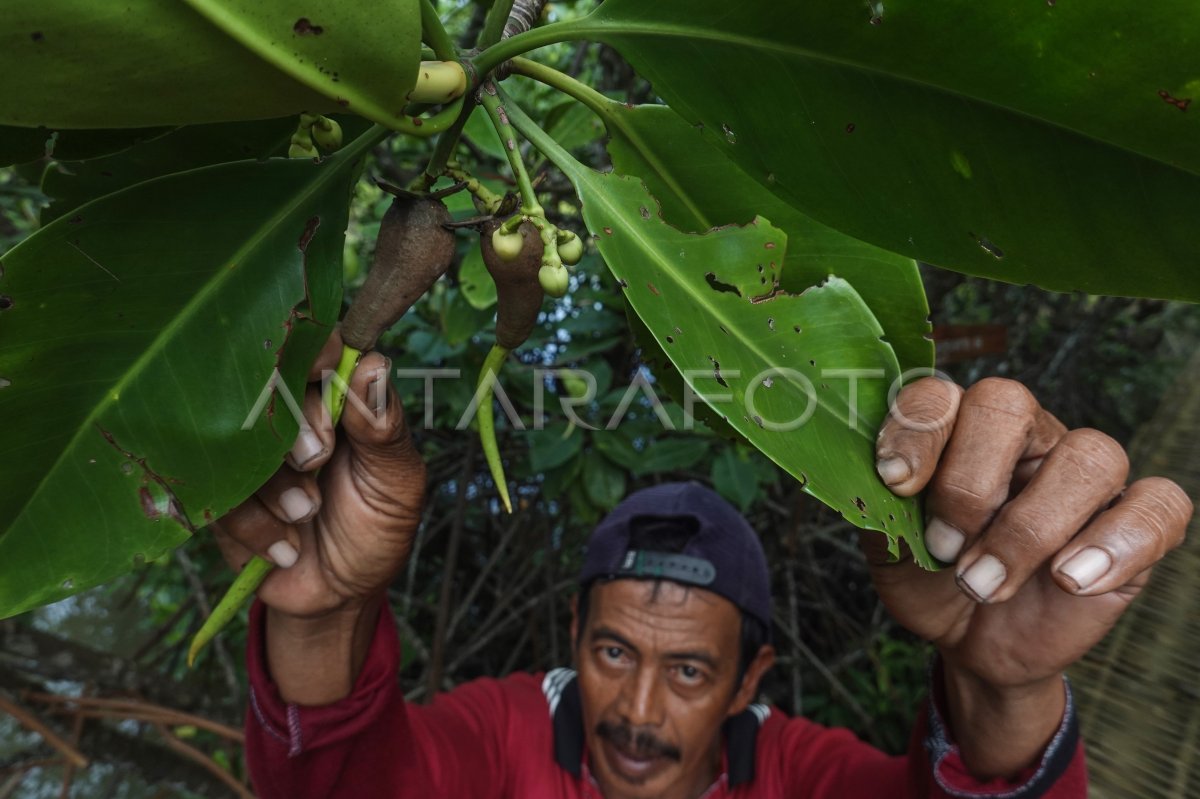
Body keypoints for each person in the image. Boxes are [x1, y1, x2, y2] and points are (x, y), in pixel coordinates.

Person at [212, 333, 1193, 798]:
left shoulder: (802, 776)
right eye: (611, 650)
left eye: (688, 669)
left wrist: (998, 687)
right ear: (570, 640)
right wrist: (320, 610)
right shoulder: (506, 734)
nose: (639, 710)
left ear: (748, 681)